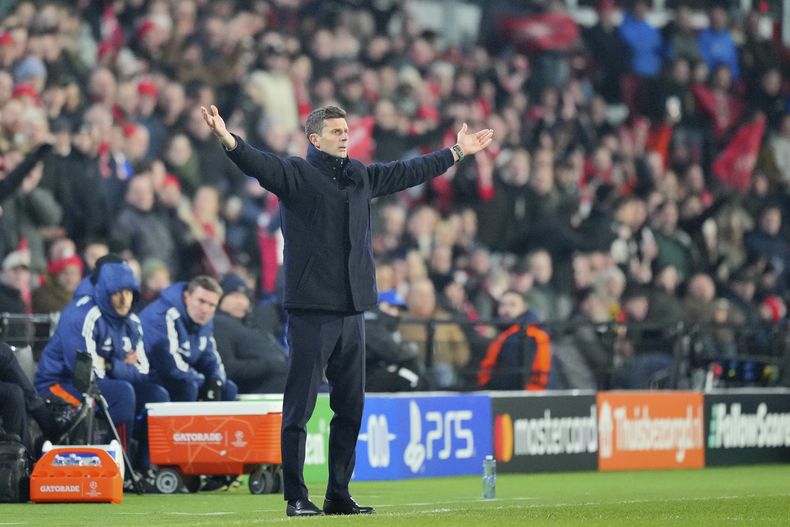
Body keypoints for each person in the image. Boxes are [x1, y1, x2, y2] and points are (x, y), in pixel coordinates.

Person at [202, 103, 493, 516]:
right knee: (299, 408)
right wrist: (228, 140)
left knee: (351, 408)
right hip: (310, 310)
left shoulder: (359, 175)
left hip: (353, 309)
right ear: (314, 138)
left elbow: (406, 172)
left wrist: (456, 152)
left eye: (346, 129)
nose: (344, 135)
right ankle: (296, 496)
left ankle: (338, 493)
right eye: (335, 130)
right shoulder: (297, 174)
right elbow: (258, 165)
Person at [34, 255, 169, 470]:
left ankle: (147, 467)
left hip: (102, 382)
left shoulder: (132, 321)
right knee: (122, 392)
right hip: (58, 384)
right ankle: (119, 467)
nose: (124, 300)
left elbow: (143, 369)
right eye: (117, 293)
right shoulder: (82, 314)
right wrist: (122, 365)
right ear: (106, 291)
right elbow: (82, 371)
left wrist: (109, 364)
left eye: (129, 293)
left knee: (157, 395)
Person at [140, 275, 238, 403]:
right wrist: (201, 381)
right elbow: (168, 365)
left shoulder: (204, 321)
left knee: (227, 388)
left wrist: (215, 381)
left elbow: (210, 356)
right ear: (186, 297)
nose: (205, 309)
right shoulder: (162, 315)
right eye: (201, 301)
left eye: (212, 305)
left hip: (183, 376)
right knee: (188, 386)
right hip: (151, 375)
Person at [213, 274, 288, 394]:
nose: (241, 302)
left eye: (245, 297)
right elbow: (227, 368)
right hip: (261, 393)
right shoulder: (219, 323)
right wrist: (269, 365)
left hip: (284, 387)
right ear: (221, 299)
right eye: (235, 296)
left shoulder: (252, 324)